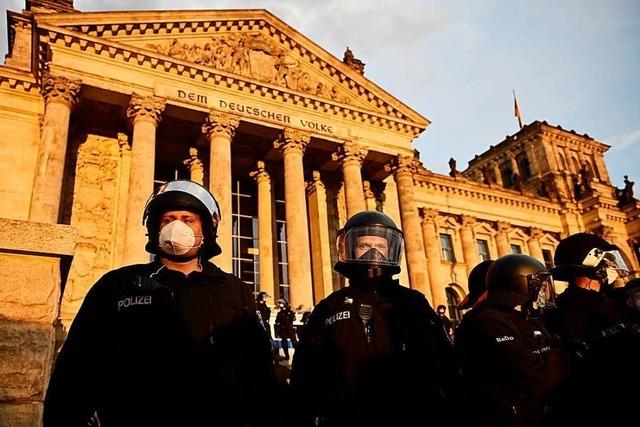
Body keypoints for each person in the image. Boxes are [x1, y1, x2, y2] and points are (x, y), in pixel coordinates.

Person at [43, 180, 277, 427]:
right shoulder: (119, 284)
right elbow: (77, 367)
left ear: (206, 230)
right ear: (155, 229)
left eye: (188, 219)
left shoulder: (233, 290)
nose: (177, 226)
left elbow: (260, 372)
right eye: (168, 219)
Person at [291, 211, 458, 427]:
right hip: (347, 417)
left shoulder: (413, 302)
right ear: (350, 248)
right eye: (364, 246)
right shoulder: (330, 306)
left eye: (380, 247)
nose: (373, 253)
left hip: (410, 415)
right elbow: (306, 370)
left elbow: (444, 361)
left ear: (391, 250)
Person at [455, 254, 570, 427]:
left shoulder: (517, 318)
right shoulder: (485, 320)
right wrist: (565, 358)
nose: (542, 293)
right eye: (537, 286)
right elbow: (531, 374)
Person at [548, 232, 638, 426]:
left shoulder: (607, 301)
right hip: (609, 406)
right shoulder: (575, 309)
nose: (613, 268)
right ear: (593, 264)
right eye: (608, 262)